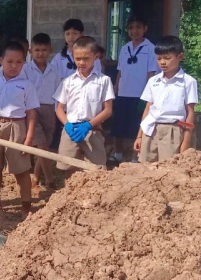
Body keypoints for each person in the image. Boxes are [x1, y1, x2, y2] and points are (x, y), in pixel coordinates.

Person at [0, 41, 39, 217]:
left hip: (16, 127)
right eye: (9, 61)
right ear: (1, 61)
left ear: (24, 63)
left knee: (21, 168)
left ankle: (26, 205)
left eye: (19, 62)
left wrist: (29, 138)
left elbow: (31, 113)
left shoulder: (27, 85)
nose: (14, 66)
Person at [54, 36, 115, 172]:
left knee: (96, 171)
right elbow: (59, 108)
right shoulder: (68, 81)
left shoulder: (104, 81)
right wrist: (67, 125)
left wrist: (88, 125)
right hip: (71, 131)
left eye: (86, 58)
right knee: (68, 169)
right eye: (78, 59)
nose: (81, 62)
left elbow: (108, 110)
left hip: (93, 131)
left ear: (96, 57)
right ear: (73, 57)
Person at [133, 36, 198, 163]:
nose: (162, 62)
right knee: (146, 166)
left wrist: (186, 141)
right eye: (159, 58)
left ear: (180, 57)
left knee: (169, 167)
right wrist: (139, 136)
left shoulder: (188, 82)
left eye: (167, 58)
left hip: (173, 131)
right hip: (150, 129)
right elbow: (148, 109)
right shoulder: (153, 81)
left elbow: (190, 113)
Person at [112, 15, 159, 164]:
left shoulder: (151, 48)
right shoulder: (124, 48)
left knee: (137, 127)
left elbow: (152, 73)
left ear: (145, 29)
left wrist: (149, 94)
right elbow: (120, 70)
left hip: (140, 94)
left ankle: (135, 157)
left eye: (138, 27)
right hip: (123, 92)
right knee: (118, 126)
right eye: (131, 28)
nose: (134, 31)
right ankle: (118, 154)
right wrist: (116, 86)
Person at [22, 33, 59, 189]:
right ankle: (50, 179)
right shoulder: (25, 69)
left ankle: (36, 177)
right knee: (41, 144)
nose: (40, 53)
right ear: (30, 51)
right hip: (32, 110)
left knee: (45, 145)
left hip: (49, 109)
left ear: (50, 50)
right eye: (37, 50)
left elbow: (58, 91)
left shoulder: (54, 69)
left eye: (44, 50)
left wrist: (57, 111)